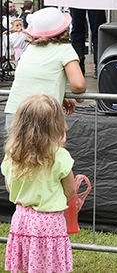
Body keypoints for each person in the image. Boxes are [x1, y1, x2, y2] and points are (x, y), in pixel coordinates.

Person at [2, 94, 75, 273]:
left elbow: (9, 187)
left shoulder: (11, 155)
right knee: (49, 263)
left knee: (28, 261)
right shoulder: (59, 156)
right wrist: (59, 200)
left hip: (21, 218)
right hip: (50, 221)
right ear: (56, 125)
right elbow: (70, 189)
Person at [4, 7, 86, 128]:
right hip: (44, 113)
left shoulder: (29, 49)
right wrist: (79, 98)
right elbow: (78, 85)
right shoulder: (65, 49)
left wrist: (61, 96)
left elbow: (35, 80)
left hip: (15, 111)